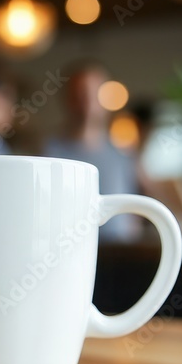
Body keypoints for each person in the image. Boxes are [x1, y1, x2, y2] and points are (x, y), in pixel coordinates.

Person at [44, 65, 139, 240]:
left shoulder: (124, 150)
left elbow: (136, 206)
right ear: (67, 99)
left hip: (123, 251)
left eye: (95, 93)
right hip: (69, 250)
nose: (87, 101)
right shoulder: (47, 152)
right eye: (80, 94)